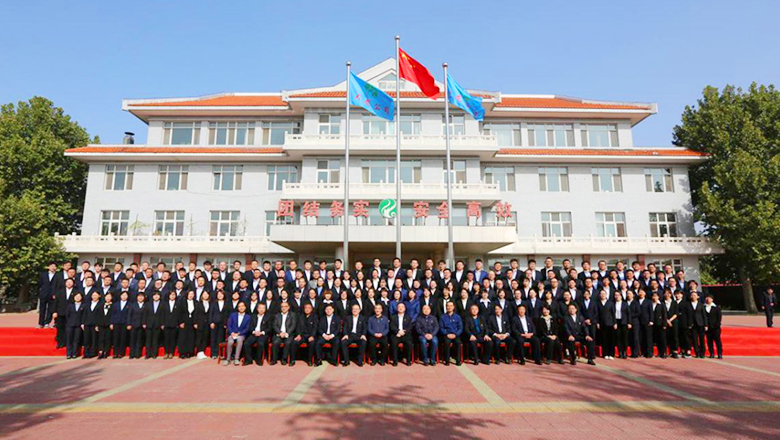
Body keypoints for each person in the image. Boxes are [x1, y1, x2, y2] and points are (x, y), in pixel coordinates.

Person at [224, 301, 251, 366]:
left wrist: (239, 333)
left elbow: (247, 328)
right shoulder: (232, 315)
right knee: (230, 341)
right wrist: (232, 333)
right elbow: (229, 325)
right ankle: (228, 359)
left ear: (245, 307)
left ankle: (236, 358)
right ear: (238, 308)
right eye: (239, 306)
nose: (241, 308)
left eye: (242, 306)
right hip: (232, 334)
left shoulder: (248, 317)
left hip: (241, 335)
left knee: (239, 340)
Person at [271, 301, 298, 366]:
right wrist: (280, 333)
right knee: (275, 342)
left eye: (285, 306)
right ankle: (274, 360)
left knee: (287, 343)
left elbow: (293, 325)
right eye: (282, 306)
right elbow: (274, 325)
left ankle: (284, 359)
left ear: (288, 307)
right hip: (279, 334)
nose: (284, 308)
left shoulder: (293, 315)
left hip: (288, 334)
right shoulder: (277, 315)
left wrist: (287, 333)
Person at [439, 301, 463, 366]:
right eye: (448, 306)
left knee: (458, 342)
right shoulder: (442, 317)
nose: (449, 307)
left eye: (451, 306)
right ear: (446, 307)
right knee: (446, 342)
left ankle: (458, 360)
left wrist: (456, 334)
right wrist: (447, 334)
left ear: (453, 307)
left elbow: (460, 328)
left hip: (455, 335)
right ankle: (447, 360)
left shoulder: (457, 317)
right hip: (446, 335)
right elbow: (441, 328)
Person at [389, 302, 413, 366]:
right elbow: (392, 326)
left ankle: (408, 360)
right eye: (399, 307)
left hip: (405, 334)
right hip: (396, 334)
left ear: (405, 308)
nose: (400, 308)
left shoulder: (408, 317)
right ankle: (395, 360)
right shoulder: (393, 317)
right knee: (393, 343)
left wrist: (404, 332)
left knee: (409, 343)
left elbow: (410, 327)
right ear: (397, 308)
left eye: (402, 307)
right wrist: (398, 331)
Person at [143, 291, 164, 359]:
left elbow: (163, 315)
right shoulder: (148, 304)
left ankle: (154, 354)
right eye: (155, 295)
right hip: (149, 324)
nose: (156, 296)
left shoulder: (162, 304)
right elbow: (145, 314)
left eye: (157, 295)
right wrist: (144, 323)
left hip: (158, 324)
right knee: (148, 340)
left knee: (155, 340)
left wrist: (162, 324)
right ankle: (148, 354)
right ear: (152, 296)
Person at [82, 291, 102, 358]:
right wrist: (83, 323)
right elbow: (84, 314)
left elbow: (100, 316)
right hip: (87, 323)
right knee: (86, 339)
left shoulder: (101, 304)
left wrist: (98, 324)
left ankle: (93, 353)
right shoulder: (87, 304)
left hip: (95, 324)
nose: (94, 297)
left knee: (94, 339)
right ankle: (86, 353)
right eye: (93, 295)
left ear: (99, 296)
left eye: (96, 295)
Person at [110, 290, 130, 358]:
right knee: (116, 338)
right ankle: (115, 353)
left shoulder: (129, 304)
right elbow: (112, 314)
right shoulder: (115, 304)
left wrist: (128, 324)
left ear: (127, 296)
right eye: (123, 295)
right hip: (116, 322)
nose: (124, 296)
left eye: (125, 295)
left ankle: (121, 353)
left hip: (124, 323)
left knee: (123, 338)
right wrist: (111, 323)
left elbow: (129, 315)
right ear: (120, 296)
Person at [64, 292, 85, 359]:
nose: (77, 298)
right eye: (76, 296)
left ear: (81, 297)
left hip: (78, 325)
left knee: (76, 340)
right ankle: (68, 353)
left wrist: (82, 323)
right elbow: (67, 315)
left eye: (79, 296)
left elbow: (84, 315)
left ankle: (74, 353)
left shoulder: (83, 306)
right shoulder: (70, 305)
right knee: (69, 339)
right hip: (70, 324)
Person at [209, 290, 229, 360]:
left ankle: (220, 353)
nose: (220, 295)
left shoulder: (227, 303)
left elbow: (227, 314)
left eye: (221, 294)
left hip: (222, 324)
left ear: (224, 295)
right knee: (213, 338)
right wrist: (211, 322)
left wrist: (226, 323)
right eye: (219, 294)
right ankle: (214, 354)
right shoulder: (213, 303)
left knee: (220, 339)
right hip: (214, 323)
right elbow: (210, 313)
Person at [38, 262, 59, 328]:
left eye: (54, 266)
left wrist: (55, 294)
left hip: (52, 295)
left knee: (50, 309)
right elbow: (40, 284)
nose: (53, 267)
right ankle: (41, 323)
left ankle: (47, 322)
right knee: (42, 309)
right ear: (48, 267)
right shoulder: (43, 274)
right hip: (44, 294)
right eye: (51, 266)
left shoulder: (58, 275)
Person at [178, 291, 197, 359]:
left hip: (192, 322)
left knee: (191, 337)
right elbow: (179, 312)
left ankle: (190, 352)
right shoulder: (182, 302)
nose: (191, 295)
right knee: (183, 337)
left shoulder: (196, 302)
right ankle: (182, 352)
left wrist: (195, 322)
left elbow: (197, 313)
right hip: (184, 322)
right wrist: (180, 322)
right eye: (190, 294)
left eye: (192, 294)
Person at [687, 291, 707, 358]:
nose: (693, 297)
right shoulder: (688, 304)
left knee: (701, 339)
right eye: (692, 295)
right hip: (692, 324)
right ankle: (697, 353)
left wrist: (706, 325)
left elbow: (704, 315)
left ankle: (702, 353)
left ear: (698, 297)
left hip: (700, 323)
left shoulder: (701, 305)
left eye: (695, 295)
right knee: (694, 339)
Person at [127, 292, 146, 359]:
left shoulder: (145, 305)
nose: (140, 298)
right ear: (137, 297)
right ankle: (132, 354)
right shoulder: (133, 305)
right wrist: (129, 324)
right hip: (133, 324)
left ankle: (138, 353)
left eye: (142, 296)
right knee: (132, 339)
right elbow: (129, 315)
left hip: (141, 325)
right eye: (139, 296)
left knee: (139, 340)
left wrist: (144, 323)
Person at [649, 291, 668, 358]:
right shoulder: (650, 304)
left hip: (660, 324)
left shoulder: (662, 304)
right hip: (653, 324)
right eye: (653, 296)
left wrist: (664, 324)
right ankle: (658, 352)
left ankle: (663, 352)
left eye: (656, 296)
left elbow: (664, 315)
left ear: (658, 297)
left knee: (662, 339)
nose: (654, 297)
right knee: (656, 339)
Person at [704, 294, 723, 359]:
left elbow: (719, 317)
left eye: (709, 298)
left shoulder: (716, 307)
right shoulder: (703, 307)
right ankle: (711, 353)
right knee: (709, 341)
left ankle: (719, 354)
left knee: (717, 341)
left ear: (712, 299)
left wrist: (717, 325)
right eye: (707, 298)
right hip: (707, 327)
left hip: (715, 327)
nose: (708, 299)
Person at [162, 291, 180, 359]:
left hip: (174, 324)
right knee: (166, 339)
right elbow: (162, 314)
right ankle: (166, 352)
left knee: (173, 339)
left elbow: (179, 314)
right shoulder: (164, 303)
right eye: (171, 295)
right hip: (166, 323)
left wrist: (178, 323)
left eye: (173, 295)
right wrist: (162, 323)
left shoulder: (178, 303)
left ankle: (171, 353)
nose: (172, 296)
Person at [194, 291, 212, 359]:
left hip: (207, 323)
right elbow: (195, 313)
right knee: (199, 337)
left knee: (205, 337)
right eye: (204, 294)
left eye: (207, 294)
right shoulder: (198, 304)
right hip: (200, 322)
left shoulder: (210, 303)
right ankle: (199, 352)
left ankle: (202, 351)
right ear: (201, 295)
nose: (205, 295)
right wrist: (195, 322)